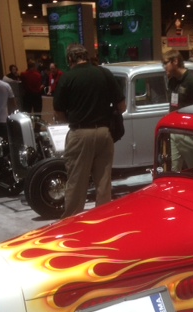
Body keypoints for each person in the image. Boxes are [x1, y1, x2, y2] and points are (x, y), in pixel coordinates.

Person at [53, 43, 125, 218]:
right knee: (103, 184)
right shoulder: (104, 73)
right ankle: (103, 223)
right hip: (104, 134)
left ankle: (72, 224)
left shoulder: (67, 78)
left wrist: (75, 117)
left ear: (70, 58)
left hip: (80, 134)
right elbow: (122, 106)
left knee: (76, 183)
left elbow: (59, 115)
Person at [162, 49, 193, 171]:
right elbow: (173, 105)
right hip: (175, 131)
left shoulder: (192, 81)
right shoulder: (172, 81)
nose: (164, 67)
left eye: (166, 63)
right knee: (173, 170)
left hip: (190, 134)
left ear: (175, 61)